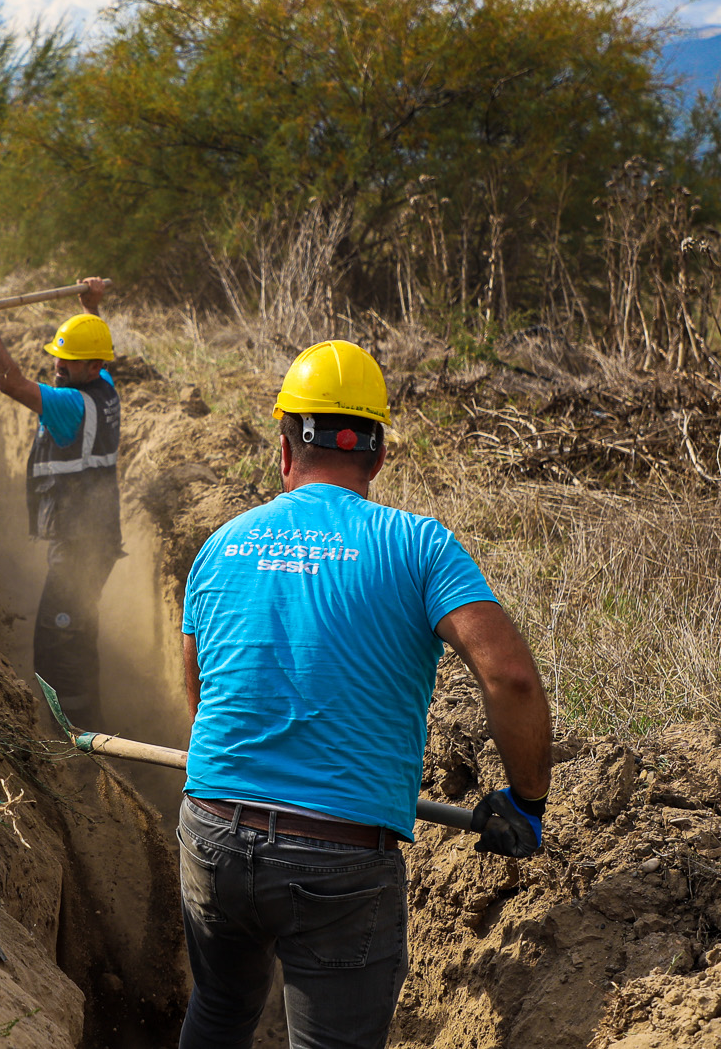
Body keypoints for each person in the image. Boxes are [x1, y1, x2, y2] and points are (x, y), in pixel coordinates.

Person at [176, 340, 552, 1049]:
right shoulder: (418, 546)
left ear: (284, 448)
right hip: (340, 862)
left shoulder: (219, 545)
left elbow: (201, 698)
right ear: (377, 456)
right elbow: (511, 678)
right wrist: (527, 803)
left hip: (214, 838)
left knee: (222, 1006)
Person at [0, 277, 119, 726]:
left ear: (90, 366)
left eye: (68, 362)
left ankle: (78, 752)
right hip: (95, 542)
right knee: (78, 639)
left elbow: (7, 381)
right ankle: (94, 732)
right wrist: (91, 309)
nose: (58, 367)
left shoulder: (70, 405)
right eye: (57, 358)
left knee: (57, 652)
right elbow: (93, 350)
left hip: (78, 549)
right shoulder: (103, 386)